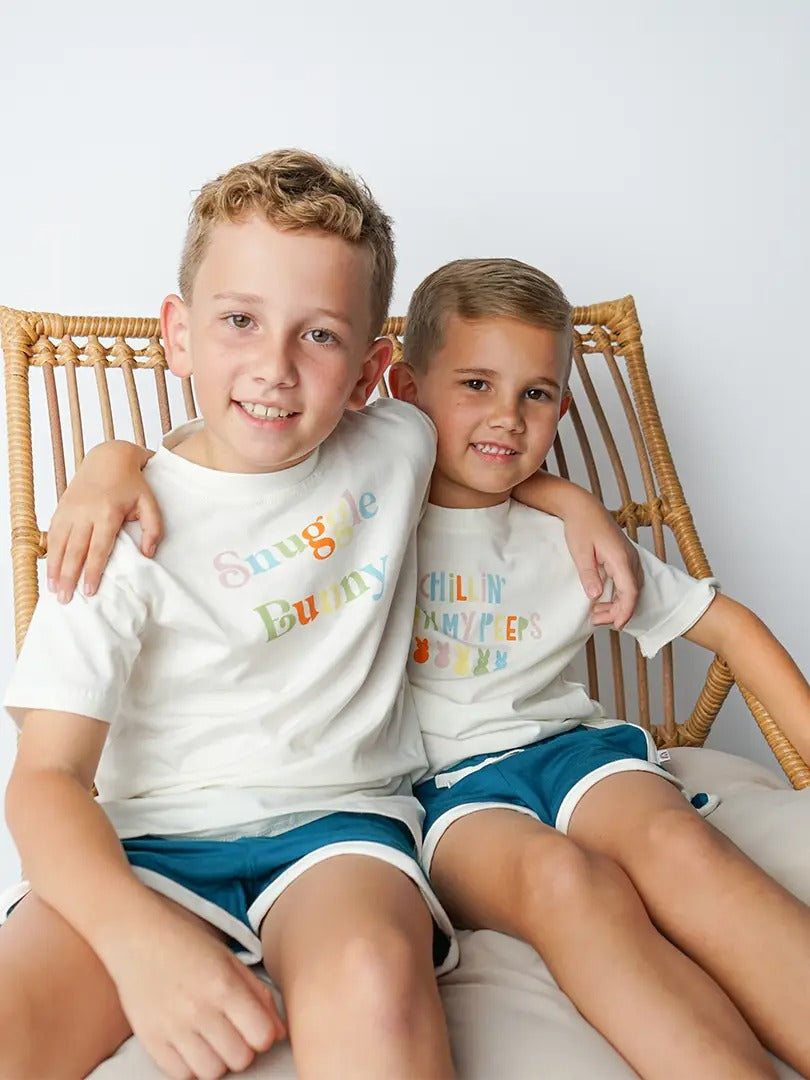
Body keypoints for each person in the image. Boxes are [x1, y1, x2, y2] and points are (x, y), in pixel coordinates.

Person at [0, 152, 640, 1080]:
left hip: (338, 824)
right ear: (177, 335)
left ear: (374, 370)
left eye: (321, 336)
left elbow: (494, 446)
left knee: (375, 975)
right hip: (142, 843)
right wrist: (136, 941)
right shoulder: (110, 526)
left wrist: (578, 506)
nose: (274, 367)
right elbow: (45, 780)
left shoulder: (397, 441)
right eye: (239, 321)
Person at [386, 257, 810, 1079]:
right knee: (562, 880)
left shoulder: (577, 540)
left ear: (561, 408)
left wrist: (565, 501)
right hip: (441, 793)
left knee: (675, 844)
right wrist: (114, 466)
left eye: (535, 394)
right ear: (403, 389)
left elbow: (728, 627)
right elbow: (242, 470)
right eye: (475, 384)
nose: (505, 417)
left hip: (576, 754)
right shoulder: (362, 515)